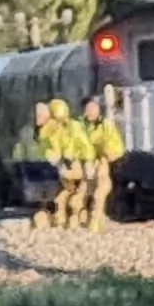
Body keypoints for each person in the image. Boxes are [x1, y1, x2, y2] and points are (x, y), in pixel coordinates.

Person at [80, 96, 125, 233]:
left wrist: (104, 152)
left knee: (99, 192)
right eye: (89, 109)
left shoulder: (106, 125)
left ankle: (96, 220)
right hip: (85, 165)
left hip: (103, 164)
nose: (92, 111)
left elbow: (115, 147)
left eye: (94, 108)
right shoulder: (80, 127)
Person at [47, 97, 94, 229]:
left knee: (77, 198)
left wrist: (88, 164)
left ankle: (77, 218)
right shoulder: (55, 131)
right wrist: (57, 162)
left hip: (78, 163)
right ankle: (62, 220)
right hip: (66, 167)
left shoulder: (75, 126)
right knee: (61, 198)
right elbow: (54, 149)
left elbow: (85, 146)